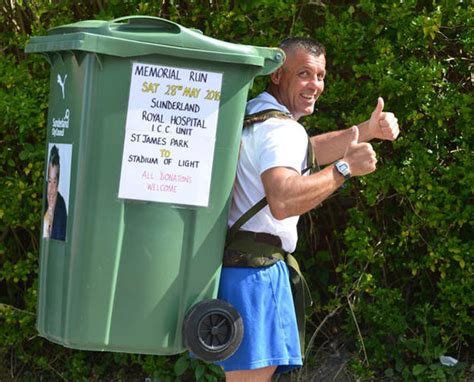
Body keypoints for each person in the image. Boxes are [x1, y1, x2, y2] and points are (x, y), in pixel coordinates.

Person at [217, 37, 399, 381]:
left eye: (320, 75)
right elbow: (283, 199)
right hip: (257, 275)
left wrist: (367, 130)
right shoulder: (282, 130)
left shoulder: (258, 114)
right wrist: (344, 169)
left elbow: (303, 151)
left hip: (240, 271)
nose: (315, 84)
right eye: (303, 73)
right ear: (277, 75)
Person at [43, 145, 67, 241]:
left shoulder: (61, 207)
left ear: (58, 182)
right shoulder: (43, 198)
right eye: (49, 181)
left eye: (54, 181)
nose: (51, 188)